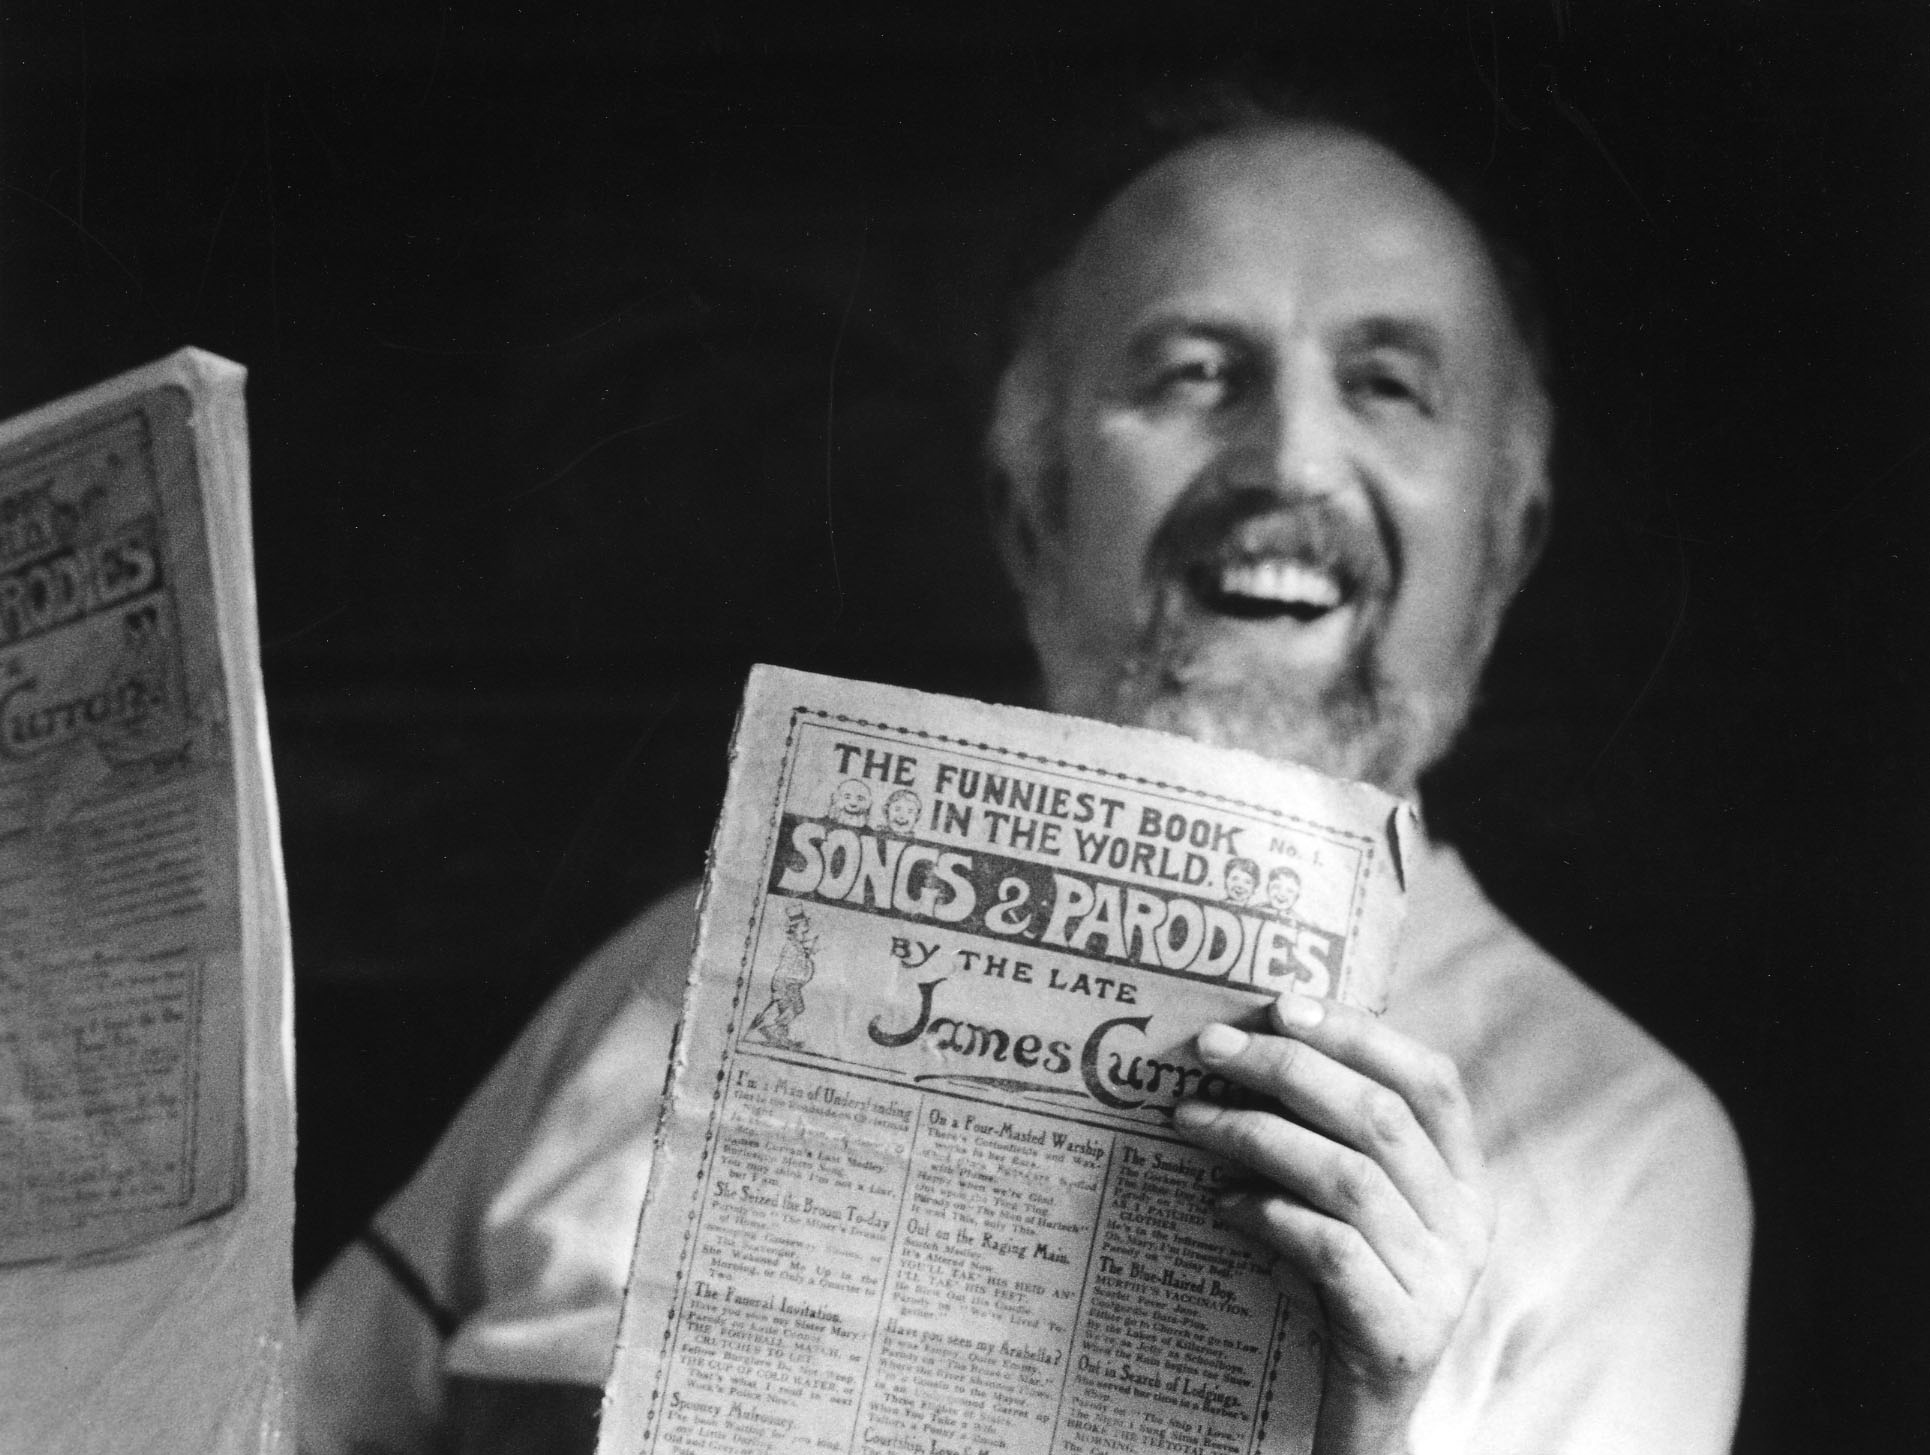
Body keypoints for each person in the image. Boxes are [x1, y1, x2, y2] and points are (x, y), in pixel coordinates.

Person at [297, 86, 1751, 1455]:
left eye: (1386, 385)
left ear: (1504, 540)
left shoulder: (1615, 1146)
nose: (1290, 461)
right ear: (1027, 510)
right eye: (1194, 373)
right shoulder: (682, 968)